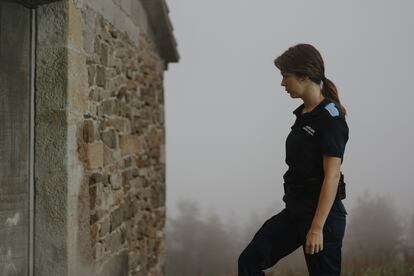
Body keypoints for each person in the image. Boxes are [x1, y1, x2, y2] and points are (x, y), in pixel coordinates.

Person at [238, 43, 350, 276]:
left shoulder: (331, 118)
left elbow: (333, 174)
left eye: (285, 76)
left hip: (323, 217)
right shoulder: (304, 114)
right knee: (249, 260)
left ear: (305, 75)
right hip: (295, 211)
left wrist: (317, 228)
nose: (282, 83)